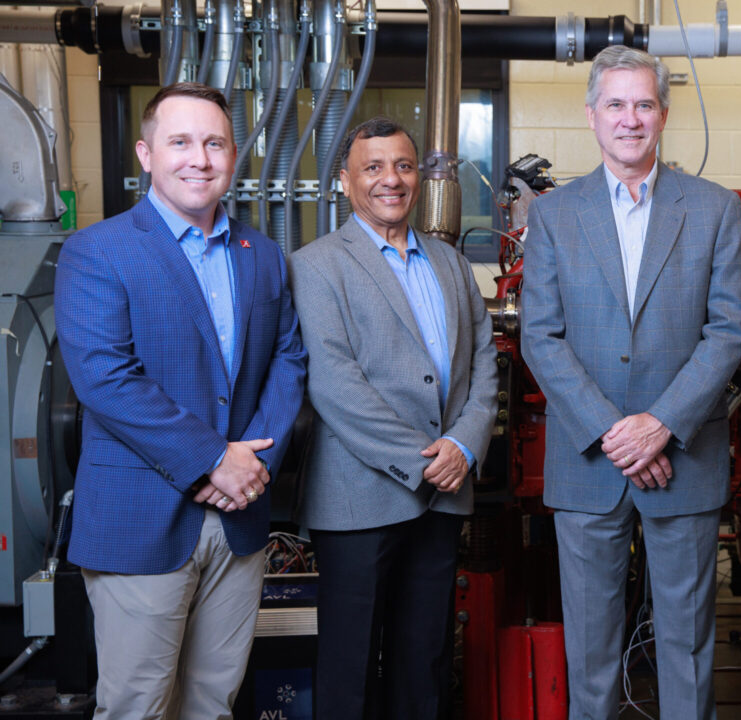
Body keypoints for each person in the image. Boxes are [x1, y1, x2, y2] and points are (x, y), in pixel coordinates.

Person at [54, 82, 307, 719]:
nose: (199, 158)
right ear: (145, 154)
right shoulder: (98, 249)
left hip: (240, 518)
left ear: (233, 155)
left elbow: (289, 360)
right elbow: (105, 378)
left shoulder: (263, 256)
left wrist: (253, 464)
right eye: (181, 142)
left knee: (212, 705)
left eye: (215, 142)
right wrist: (212, 459)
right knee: (138, 707)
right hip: (140, 521)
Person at [520, 45, 741, 719]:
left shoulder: (713, 209)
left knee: (687, 640)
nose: (629, 118)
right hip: (588, 460)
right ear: (592, 117)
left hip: (684, 454)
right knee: (590, 646)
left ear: (664, 114)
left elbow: (727, 331)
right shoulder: (555, 215)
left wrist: (660, 426)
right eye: (615, 104)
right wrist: (614, 433)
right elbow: (542, 335)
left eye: (643, 104)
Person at [290, 116, 498, 719]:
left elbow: (483, 361)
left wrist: (464, 444)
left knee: (425, 661)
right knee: (350, 667)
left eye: (403, 166)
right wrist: (425, 461)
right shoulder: (317, 265)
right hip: (359, 497)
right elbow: (334, 384)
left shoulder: (451, 263)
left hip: (445, 492)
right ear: (346, 181)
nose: (391, 180)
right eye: (373, 167)